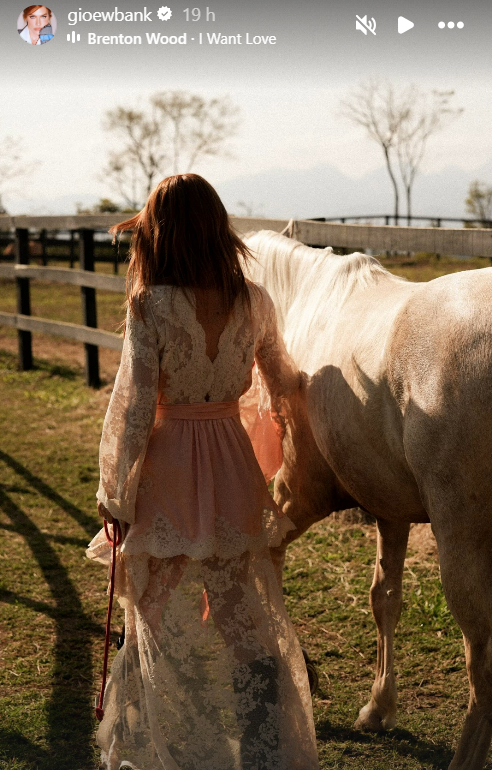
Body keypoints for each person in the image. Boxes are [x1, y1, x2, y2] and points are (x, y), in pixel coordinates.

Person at [86, 174, 320, 770]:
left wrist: (115, 491)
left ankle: (146, 743)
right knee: (242, 608)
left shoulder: (151, 305)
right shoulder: (255, 301)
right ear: (218, 229)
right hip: (230, 463)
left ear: (158, 233)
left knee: (151, 607)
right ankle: (265, 744)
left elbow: (136, 405)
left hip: (169, 464)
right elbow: (284, 382)